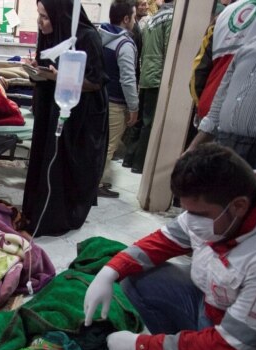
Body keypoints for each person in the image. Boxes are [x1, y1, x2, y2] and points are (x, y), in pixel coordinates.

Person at [83, 143, 256, 350]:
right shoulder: (228, 201)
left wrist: (139, 344)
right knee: (138, 276)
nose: (191, 221)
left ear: (239, 206)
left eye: (199, 214)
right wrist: (111, 270)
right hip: (213, 312)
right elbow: (165, 239)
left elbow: (226, 349)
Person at [21, 0, 109, 236]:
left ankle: (57, 218)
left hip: (80, 117)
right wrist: (35, 71)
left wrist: (63, 78)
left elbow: (96, 82)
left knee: (65, 165)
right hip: (50, 108)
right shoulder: (50, 34)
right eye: (38, 16)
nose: (40, 22)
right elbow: (44, 69)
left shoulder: (87, 37)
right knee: (44, 158)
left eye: (45, 17)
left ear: (62, 16)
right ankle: (36, 211)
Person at [187, 0, 256, 194]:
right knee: (214, 217)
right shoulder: (251, 47)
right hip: (226, 146)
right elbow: (217, 107)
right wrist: (193, 147)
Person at [190, 0, 256, 122]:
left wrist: (204, 107)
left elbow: (198, 73)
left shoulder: (223, 14)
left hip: (209, 112)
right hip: (254, 120)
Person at [125, 0, 174, 173]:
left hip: (146, 73)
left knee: (140, 121)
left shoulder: (154, 18)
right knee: (148, 122)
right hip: (157, 75)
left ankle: (129, 159)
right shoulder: (171, 18)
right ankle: (139, 164)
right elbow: (170, 49)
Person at [97, 0, 139, 199]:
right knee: (109, 146)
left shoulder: (100, 36)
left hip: (99, 97)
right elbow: (128, 79)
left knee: (99, 142)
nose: (135, 20)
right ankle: (95, 185)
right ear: (126, 19)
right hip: (116, 102)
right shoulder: (125, 44)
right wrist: (134, 106)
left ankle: (93, 180)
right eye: (134, 16)